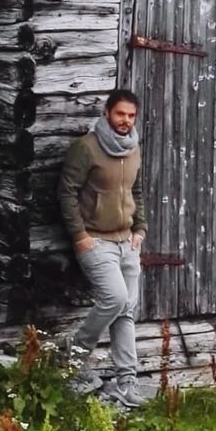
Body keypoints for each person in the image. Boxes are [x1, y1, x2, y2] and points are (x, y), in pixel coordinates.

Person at [57, 88, 148, 407]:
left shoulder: (134, 146)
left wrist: (140, 228)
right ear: (108, 112)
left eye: (131, 115)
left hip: (127, 242)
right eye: (121, 114)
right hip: (95, 240)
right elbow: (66, 193)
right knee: (115, 298)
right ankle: (74, 356)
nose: (126, 120)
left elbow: (137, 189)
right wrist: (79, 235)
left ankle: (127, 382)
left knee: (126, 312)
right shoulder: (87, 148)